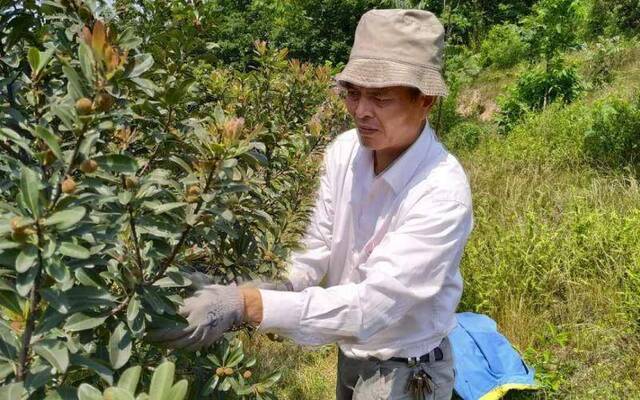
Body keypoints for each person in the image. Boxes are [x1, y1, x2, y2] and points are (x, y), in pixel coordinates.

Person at [149, 9, 473, 400]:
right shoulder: (344, 153)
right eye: (353, 93)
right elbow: (312, 248)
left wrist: (247, 305)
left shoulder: (441, 192)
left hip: (408, 371)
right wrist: (255, 288)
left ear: (426, 99)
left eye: (381, 97)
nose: (360, 111)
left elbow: (370, 309)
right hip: (351, 352)